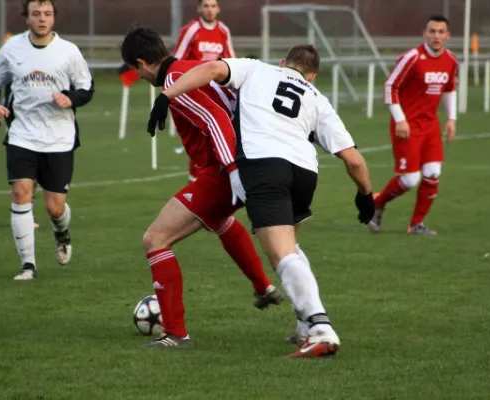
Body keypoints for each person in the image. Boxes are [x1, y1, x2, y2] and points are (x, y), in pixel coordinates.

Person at [148, 45, 375, 358]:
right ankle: (304, 325)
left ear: (282, 63)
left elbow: (211, 70)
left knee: (281, 255)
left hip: (265, 166)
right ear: (313, 75)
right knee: (290, 248)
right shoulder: (318, 99)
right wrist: (366, 197)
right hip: (305, 172)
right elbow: (353, 160)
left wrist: (166, 95)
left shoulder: (258, 68)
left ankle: (320, 328)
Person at [120, 27, 283, 349]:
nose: (137, 77)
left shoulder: (173, 82)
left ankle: (176, 334)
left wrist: (233, 172)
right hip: (239, 162)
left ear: (141, 62)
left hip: (226, 169)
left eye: (135, 71)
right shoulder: (189, 68)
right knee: (226, 223)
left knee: (155, 239)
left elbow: (215, 119)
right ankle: (267, 290)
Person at [0, 0, 94, 280]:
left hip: (59, 137)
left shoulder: (69, 52)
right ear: (26, 18)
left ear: (54, 18)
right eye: (36, 14)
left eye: (47, 14)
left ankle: (62, 232)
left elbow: (86, 88)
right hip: (22, 134)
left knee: (54, 207)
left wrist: (71, 98)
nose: (42, 19)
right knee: (21, 193)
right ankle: (28, 265)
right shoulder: (12, 49)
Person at [369, 15, 458, 235]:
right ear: (424, 33)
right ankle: (377, 203)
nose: (436, 36)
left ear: (447, 35)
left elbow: (449, 90)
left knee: (433, 172)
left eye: (440, 32)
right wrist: (400, 118)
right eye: (432, 31)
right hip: (407, 126)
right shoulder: (412, 57)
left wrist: (452, 118)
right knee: (409, 179)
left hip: (430, 125)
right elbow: (390, 86)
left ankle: (416, 224)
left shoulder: (451, 61)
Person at [173, 0, 236, 182]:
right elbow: (177, 60)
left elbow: (230, 61)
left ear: (218, 9)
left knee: (213, 138)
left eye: (213, 6)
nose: (209, 10)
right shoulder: (191, 30)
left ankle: (207, 185)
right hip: (192, 92)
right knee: (200, 139)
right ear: (199, 8)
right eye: (206, 6)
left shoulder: (223, 31)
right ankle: (196, 183)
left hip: (214, 93)